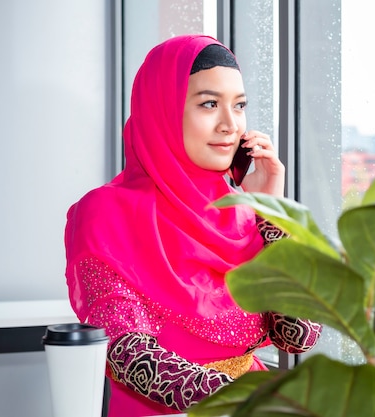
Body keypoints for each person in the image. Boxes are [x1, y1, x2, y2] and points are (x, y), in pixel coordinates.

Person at [64, 34, 322, 416]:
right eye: (209, 104)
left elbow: (298, 333)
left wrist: (271, 211)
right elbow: (127, 352)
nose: (229, 125)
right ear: (162, 110)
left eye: (240, 106)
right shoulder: (104, 213)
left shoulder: (243, 212)